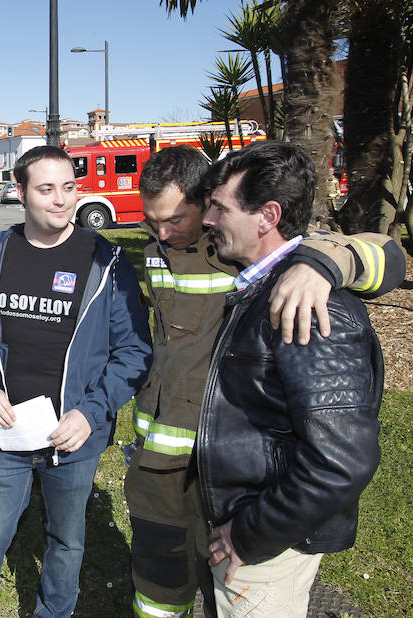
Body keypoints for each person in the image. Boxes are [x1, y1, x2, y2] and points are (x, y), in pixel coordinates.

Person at [126, 145, 404, 618]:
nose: (164, 232)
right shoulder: (160, 254)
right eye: (152, 222)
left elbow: (385, 256)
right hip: (175, 456)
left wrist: (322, 264)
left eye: (188, 215)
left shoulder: (289, 285)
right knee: (173, 576)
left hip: (232, 478)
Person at [0, 145, 153, 617]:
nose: (61, 200)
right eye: (46, 189)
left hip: (74, 433)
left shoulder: (107, 263)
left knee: (66, 539)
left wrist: (91, 411)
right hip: (6, 431)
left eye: (68, 187)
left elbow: (135, 350)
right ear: (20, 193)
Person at [197, 141, 383, 617]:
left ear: (267, 216)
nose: (207, 219)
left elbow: (340, 462)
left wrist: (249, 534)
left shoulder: (306, 306)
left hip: (264, 546)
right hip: (245, 521)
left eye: (220, 207)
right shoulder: (266, 282)